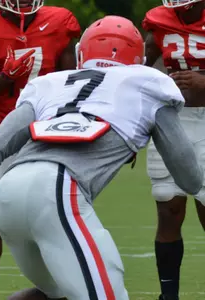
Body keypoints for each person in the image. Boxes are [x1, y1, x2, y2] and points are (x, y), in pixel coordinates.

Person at [0, 15, 205, 300]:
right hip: (57, 192)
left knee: (54, 293)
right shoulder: (147, 82)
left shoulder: (50, 83)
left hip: (8, 193)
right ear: (138, 57)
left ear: (81, 53)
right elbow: (189, 178)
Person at [0, 0, 80, 298]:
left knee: (53, 212)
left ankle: (59, 287)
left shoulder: (60, 22)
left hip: (49, 130)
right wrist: (4, 79)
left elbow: (74, 83)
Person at [142, 1, 205, 299]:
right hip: (171, 118)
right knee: (168, 209)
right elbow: (137, 70)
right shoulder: (158, 20)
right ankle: (168, 295)